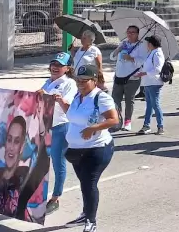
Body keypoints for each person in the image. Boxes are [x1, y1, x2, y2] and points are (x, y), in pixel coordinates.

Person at [59, 62, 118, 232]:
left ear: (94, 80)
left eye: (85, 81)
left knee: (89, 183)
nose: (81, 84)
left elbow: (114, 120)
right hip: (77, 150)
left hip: (97, 149)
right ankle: (86, 214)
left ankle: (91, 222)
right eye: (78, 80)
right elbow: (74, 115)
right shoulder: (78, 96)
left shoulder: (101, 98)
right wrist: (62, 102)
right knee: (84, 183)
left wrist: (94, 128)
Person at [40, 53, 77, 215]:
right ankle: (36, 195)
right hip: (45, 125)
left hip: (61, 127)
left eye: (60, 65)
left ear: (67, 68)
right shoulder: (48, 82)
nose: (55, 67)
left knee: (57, 162)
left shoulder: (70, 84)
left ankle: (55, 198)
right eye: (53, 64)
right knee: (39, 162)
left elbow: (68, 106)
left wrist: (60, 100)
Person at [109, 25, 145, 132]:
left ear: (137, 34)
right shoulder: (123, 44)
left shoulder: (141, 46)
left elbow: (143, 61)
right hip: (119, 76)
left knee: (129, 101)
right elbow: (112, 57)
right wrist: (118, 50)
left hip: (132, 78)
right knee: (115, 100)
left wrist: (131, 58)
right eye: (128, 32)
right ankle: (117, 120)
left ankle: (127, 122)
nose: (129, 34)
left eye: (132, 32)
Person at [135, 36, 166, 136]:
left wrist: (143, 74)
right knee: (149, 105)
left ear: (152, 44)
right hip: (148, 82)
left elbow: (158, 69)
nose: (147, 44)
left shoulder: (157, 53)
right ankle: (146, 126)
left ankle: (160, 126)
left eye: (148, 43)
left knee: (155, 105)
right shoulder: (152, 53)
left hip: (154, 83)